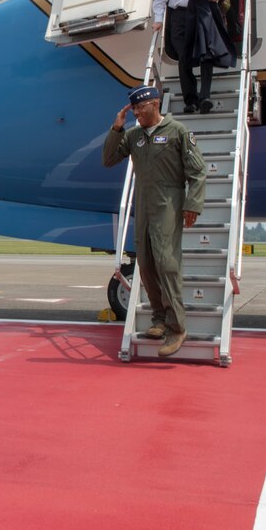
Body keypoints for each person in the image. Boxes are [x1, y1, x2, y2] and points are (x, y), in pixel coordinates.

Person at [102, 86, 206, 357]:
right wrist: (116, 129)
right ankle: (158, 319)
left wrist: (192, 204)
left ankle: (176, 327)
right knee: (146, 263)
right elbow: (109, 160)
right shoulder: (134, 135)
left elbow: (197, 171)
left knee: (167, 264)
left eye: (141, 107)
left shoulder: (178, 131)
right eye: (133, 108)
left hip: (168, 204)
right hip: (144, 205)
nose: (136, 112)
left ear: (155, 104)